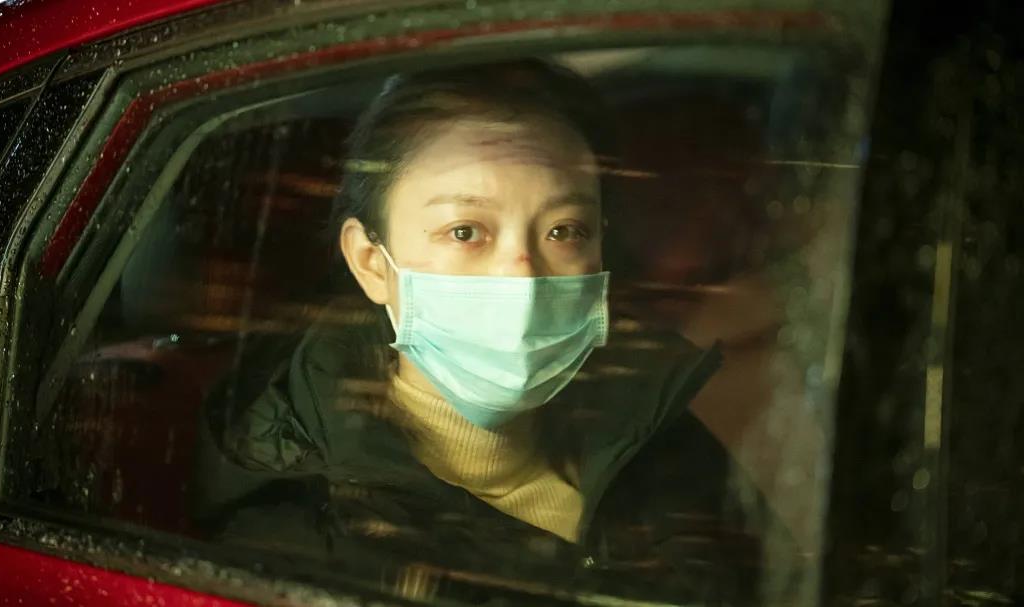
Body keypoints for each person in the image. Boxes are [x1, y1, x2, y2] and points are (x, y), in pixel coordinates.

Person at [202, 59, 775, 598]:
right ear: (372, 264)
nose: (521, 276)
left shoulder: (652, 429)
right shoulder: (301, 547)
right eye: (465, 231)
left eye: (564, 230)